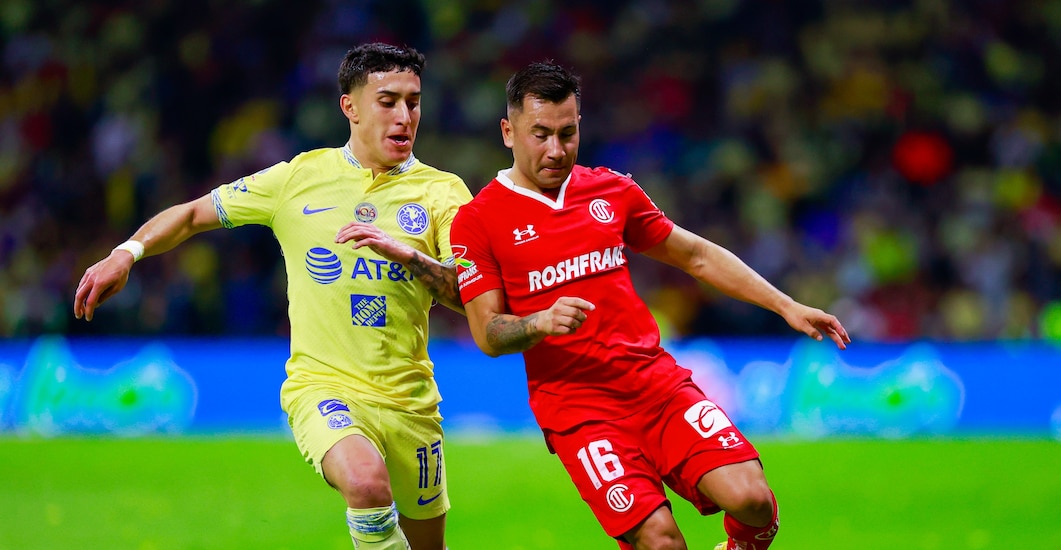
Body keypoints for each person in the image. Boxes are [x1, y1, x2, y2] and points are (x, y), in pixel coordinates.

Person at [74, 43, 472, 550]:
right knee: (367, 485)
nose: (404, 116)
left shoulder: (444, 192)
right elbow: (195, 213)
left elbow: (469, 296)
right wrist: (126, 252)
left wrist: (408, 257)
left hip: (412, 403)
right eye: (387, 101)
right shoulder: (297, 179)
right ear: (349, 107)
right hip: (324, 387)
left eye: (413, 102)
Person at [449, 61, 851, 550]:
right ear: (508, 132)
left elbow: (697, 256)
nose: (556, 150)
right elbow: (488, 333)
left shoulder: (611, 190)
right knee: (661, 541)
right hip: (579, 410)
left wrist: (785, 305)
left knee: (753, 501)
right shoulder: (478, 220)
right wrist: (539, 322)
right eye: (540, 135)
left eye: (567, 133)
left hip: (655, 385)